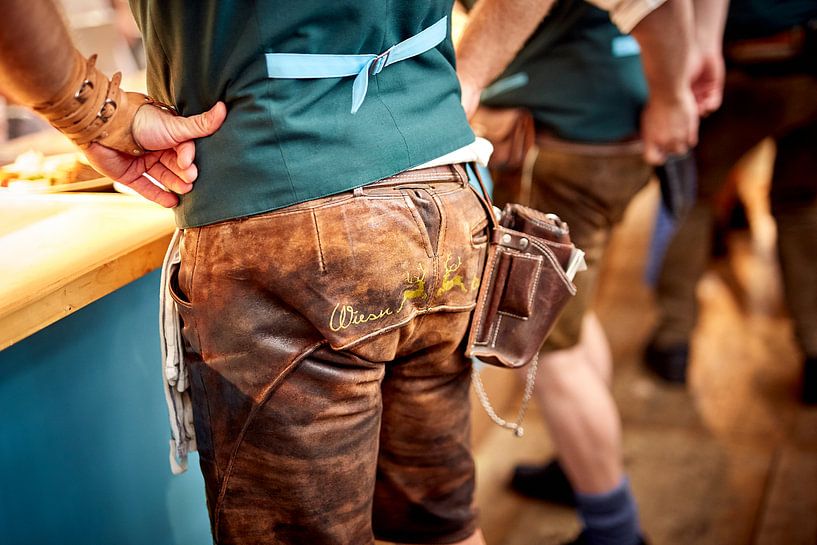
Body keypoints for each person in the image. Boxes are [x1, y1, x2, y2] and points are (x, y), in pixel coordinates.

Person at [1, 1, 497, 544]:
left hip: (281, 223)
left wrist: (95, 112)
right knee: (437, 523)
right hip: (446, 200)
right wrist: (458, 83)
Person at [456, 1, 725, 543]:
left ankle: (614, 531)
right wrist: (702, 45)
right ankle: (579, 463)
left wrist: (675, 90)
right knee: (571, 323)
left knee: (549, 345)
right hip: (594, 124)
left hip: (567, 142)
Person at [645, 0, 817, 406]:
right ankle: (814, 349)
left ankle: (673, 340)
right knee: (801, 206)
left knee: (694, 196)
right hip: (807, 62)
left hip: (742, 62)